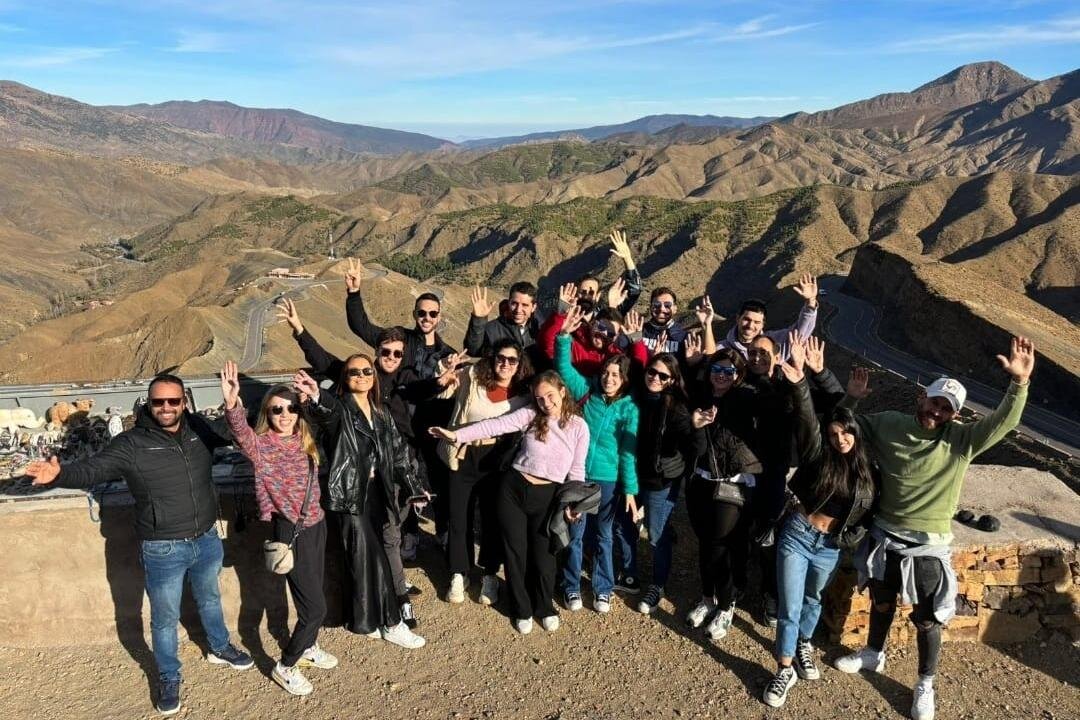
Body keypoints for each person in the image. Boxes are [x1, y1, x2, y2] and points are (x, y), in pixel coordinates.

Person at [25, 374, 253, 717]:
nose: (166, 407)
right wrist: (59, 475)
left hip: (206, 539)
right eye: (158, 401)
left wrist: (233, 404)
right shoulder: (131, 444)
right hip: (163, 548)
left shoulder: (199, 429)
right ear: (149, 403)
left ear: (184, 402)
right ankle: (168, 676)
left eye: (173, 401)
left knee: (210, 599)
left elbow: (233, 433)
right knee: (165, 619)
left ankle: (220, 647)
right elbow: (93, 469)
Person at [834, 336, 1034, 720]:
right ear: (921, 397)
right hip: (884, 536)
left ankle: (925, 683)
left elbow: (1004, 422)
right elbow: (844, 427)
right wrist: (852, 398)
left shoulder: (962, 441)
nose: (937, 411)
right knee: (881, 601)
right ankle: (874, 653)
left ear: (955, 416)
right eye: (935, 402)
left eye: (946, 409)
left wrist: (1019, 384)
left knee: (927, 620)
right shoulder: (889, 423)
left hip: (927, 546)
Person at [281, 298, 434, 628]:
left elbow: (401, 441)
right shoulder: (349, 394)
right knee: (372, 546)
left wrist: (414, 484)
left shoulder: (398, 389)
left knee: (388, 540)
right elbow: (327, 396)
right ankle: (394, 605)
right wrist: (300, 331)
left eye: (397, 353)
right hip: (357, 486)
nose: (390, 358)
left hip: (392, 477)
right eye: (385, 352)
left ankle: (391, 598)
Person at [761, 340, 876, 708]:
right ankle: (784, 669)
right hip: (798, 535)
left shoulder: (869, 474)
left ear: (856, 434)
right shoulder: (817, 454)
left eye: (846, 433)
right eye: (834, 434)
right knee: (791, 605)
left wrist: (847, 538)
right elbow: (809, 419)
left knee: (813, 599)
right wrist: (799, 381)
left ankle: (804, 645)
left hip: (830, 546)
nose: (840, 439)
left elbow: (869, 515)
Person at [430, 370, 590, 634]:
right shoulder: (531, 414)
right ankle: (521, 609)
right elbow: (495, 425)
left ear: (562, 391)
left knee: (544, 557)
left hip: (548, 496)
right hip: (513, 490)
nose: (545, 403)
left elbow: (577, 470)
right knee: (516, 553)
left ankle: (544, 607)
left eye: (550, 395)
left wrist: (574, 504)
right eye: (539, 398)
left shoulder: (578, 427)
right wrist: (457, 436)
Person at [220, 362, 337, 697]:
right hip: (290, 530)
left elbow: (334, 420)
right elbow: (241, 433)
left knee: (310, 593)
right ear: (267, 414)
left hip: (316, 524)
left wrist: (314, 396)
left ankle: (308, 646)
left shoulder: (305, 437)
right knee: (316, 608)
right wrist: (232, 403)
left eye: (291, 408)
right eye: (276, 410)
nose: (285, 415)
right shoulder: (262, 446)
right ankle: (286, 666)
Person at [296, 358, 427, 649]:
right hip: (350, 494)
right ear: (345, 378)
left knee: (364, 559)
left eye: (367, 371)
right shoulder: (341, 408)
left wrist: (414, 487)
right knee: (373, 558)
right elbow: (326, 412)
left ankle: (364, 621)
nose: (362, 375)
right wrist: (316, 395)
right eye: (354, 372)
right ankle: (392, 623)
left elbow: (398, 452)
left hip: (377, 492)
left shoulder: (381, 412)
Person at [339, 258, 457, 556]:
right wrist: (354, 294)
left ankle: (444, 534)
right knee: (406, 484)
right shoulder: (400, 342)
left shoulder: (448, 353)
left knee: (440, 482)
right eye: (422, 313)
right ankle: (410, 537)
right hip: (405, 430)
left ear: (439, 317)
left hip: (435, 428)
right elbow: (362, 327)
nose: (426, 318)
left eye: (432, 313)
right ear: (415, 314)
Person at [433, 338, 534, 606]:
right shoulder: (473, 376)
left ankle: (489, 572)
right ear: (493, 358)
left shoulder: (525, 395)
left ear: (519, 364)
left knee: (492, 517)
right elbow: (444, 390)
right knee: (459, 515)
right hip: (462, 454)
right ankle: (459, 572)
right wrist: (445, 370)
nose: (505, 364)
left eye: (512, 360)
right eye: (501, 358)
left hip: (497, 459)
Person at [553, 306, 640, 614]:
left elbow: (628, 453)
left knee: (604, 536)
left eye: (615, 374)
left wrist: (630, 490)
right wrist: (564, 337)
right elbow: (564, 370)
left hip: (607, 480)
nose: (608, 378)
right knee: (575, 534)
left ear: (624, 378)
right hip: (579, 476)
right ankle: (572, 586)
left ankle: (603, 589)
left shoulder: (629, 408)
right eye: (605, 372)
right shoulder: (588, 392)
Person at [684, 348, 762, 641]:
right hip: (700, 481)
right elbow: (696, 449)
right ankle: (707, 598)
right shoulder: (700, 398)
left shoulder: (746, 400)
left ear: (738, 375)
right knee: (705, 544)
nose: (721, 375)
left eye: (729, 371)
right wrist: (696, 426)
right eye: (717, 369)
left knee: (720, 546)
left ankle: (726, 607)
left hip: (732, 484)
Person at [621, 352, 705, 612]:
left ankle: (658, 585)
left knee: (656, 533)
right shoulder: (636, 398)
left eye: (663, 375)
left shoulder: (676, 409)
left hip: (661, 480)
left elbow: (695, 448)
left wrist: (696, 427)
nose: (655, 378)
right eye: (652, 372)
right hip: (633, 473)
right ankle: (629, 573)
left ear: (672, 380)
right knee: (626, 524)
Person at [538, 285, 649, 376]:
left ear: (616, 337)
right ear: (593, 323)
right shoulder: (574, 344)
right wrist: (561, 313)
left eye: (610, 333)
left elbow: (637, 369)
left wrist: (637, 340)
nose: (603, 334)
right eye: (601, 327)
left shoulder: (615, 355)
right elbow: (547, 344)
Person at [719, 274, 819, 363]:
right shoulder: (721, 350)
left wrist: (810, 302)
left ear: (763, 324)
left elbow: (800, 332)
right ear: (738, 319)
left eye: (757, 322)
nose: (750, 326)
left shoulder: (774, 343)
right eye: (747, 319)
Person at [465, 281, 546, 369]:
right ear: (509, 303)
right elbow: (472, 351)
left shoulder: (540, 330)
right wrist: (479, 320)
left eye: (524, 305)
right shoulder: (492, 329)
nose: (518, 310)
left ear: (533, 307)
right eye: (514, 303)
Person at [641, 287, 687, 356]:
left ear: (675, 309)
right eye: (656, 305)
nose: (661, 309)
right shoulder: (638, 331)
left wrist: (692, 361)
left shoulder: (684, 337)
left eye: (667, 305)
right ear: (650, 308)